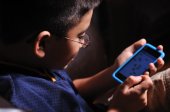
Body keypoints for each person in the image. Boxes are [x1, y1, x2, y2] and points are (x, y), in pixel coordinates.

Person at [0, 0, 164, 112]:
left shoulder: (36, 60)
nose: (85, 43)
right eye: (80, 36)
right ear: (42, 44)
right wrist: (119, 109)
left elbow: (68, 91)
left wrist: (115, 71)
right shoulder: (19, 99)